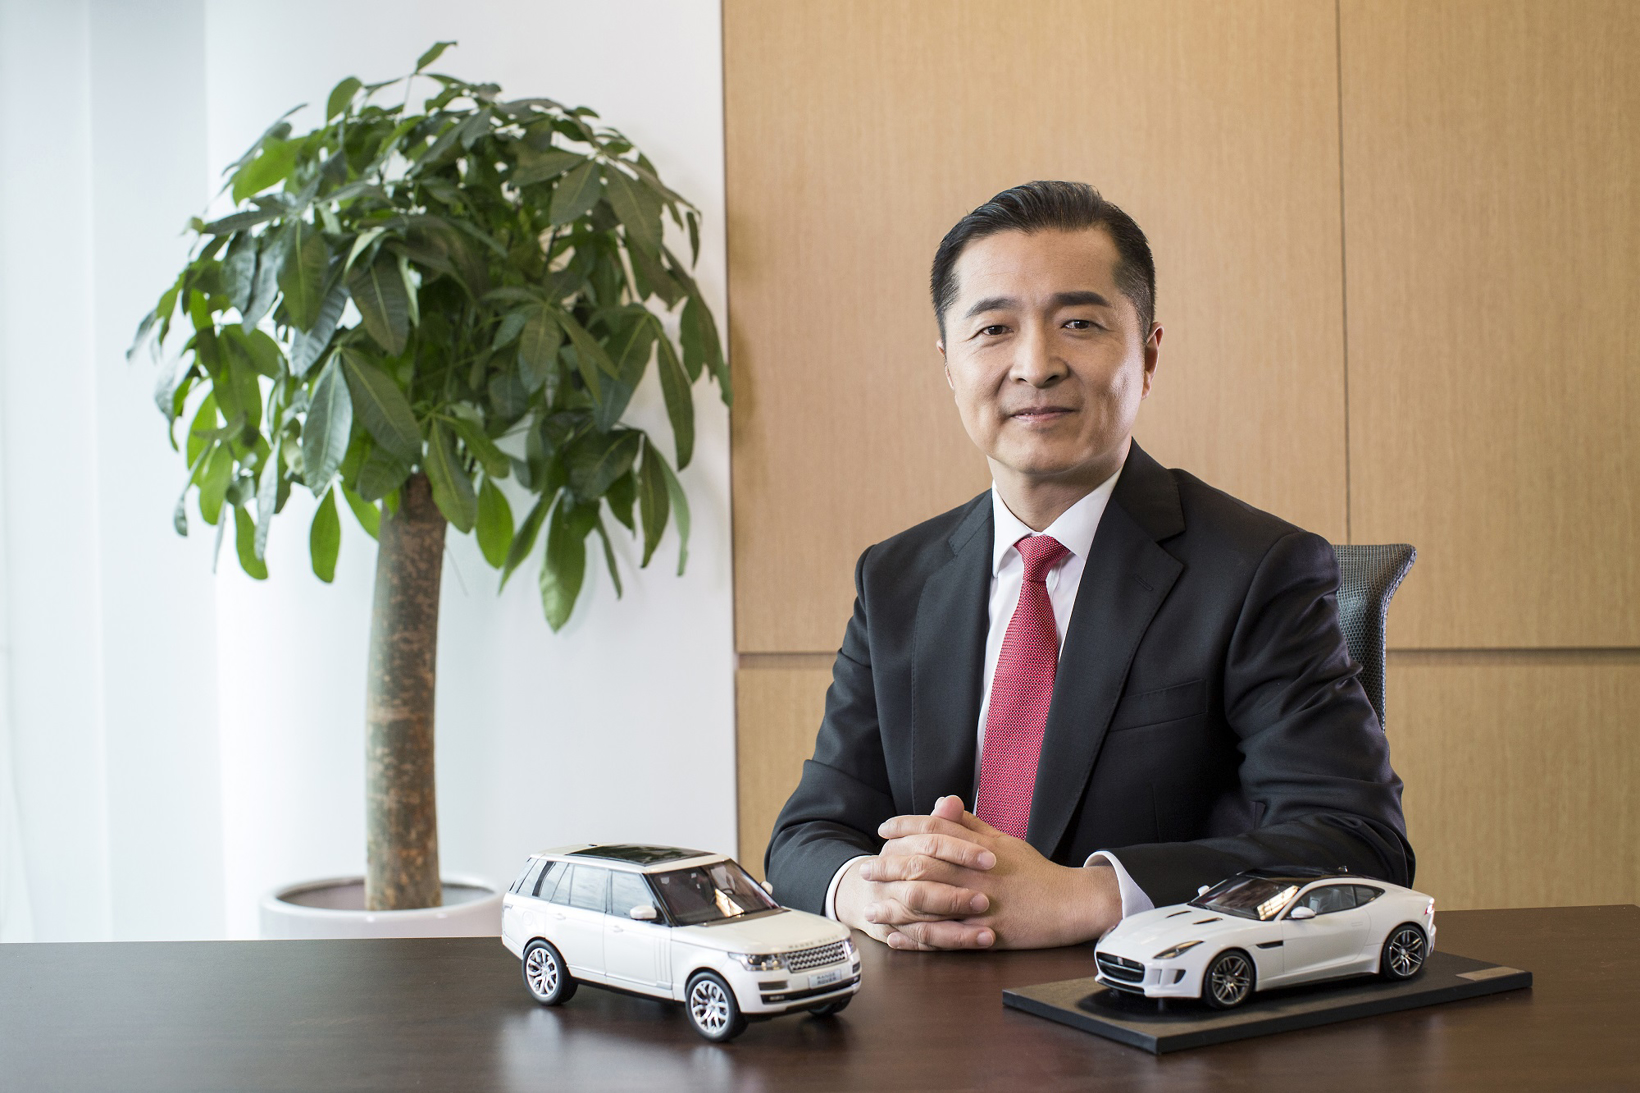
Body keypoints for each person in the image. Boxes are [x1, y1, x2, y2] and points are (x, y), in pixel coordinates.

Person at [764, 181, 1413, 952]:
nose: (1036, 365)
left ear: (1148, 353)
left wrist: (1089, 894)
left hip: (1145, 1006)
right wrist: (867, 890)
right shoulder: (896, 579)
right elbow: (807, 835)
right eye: (994, 329)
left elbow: (1358, 841)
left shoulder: (1256, 571)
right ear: (949, 365)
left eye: (1078, 323)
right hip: (933, 1000)